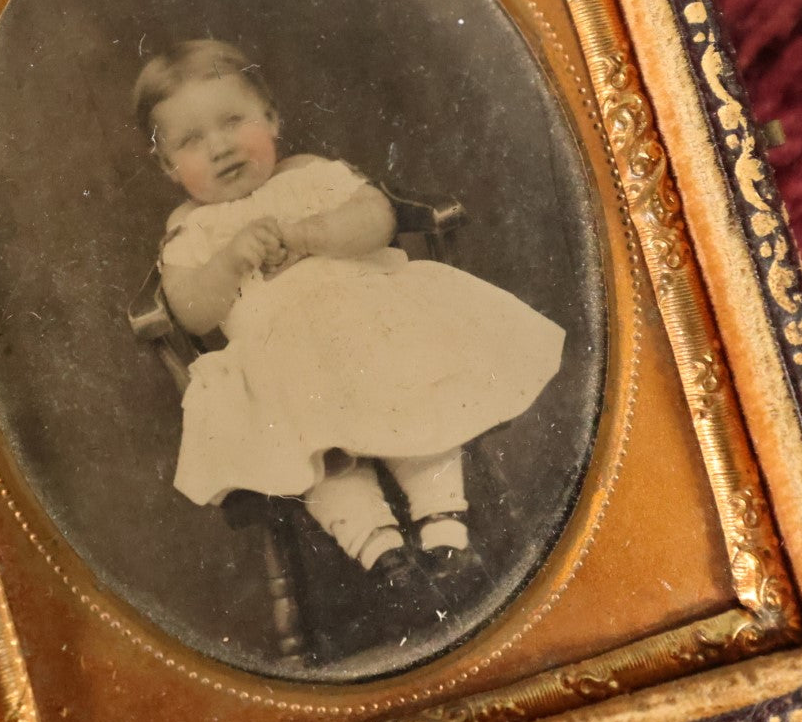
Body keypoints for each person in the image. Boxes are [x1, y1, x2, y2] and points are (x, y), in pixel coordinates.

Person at [134, 39, 564, 594]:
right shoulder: (190, 230)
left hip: (371, 326)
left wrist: (309, 234)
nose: (219, 147)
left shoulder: (311, 176)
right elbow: (189, 311)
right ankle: (374, 544)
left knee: (420, 396)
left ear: (271, 118)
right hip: (284, 362)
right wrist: (226, 262)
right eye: (192, 140)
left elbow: (378, 218)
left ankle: (442, 519)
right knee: (309, 447)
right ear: (168, 163)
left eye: (233, 120)